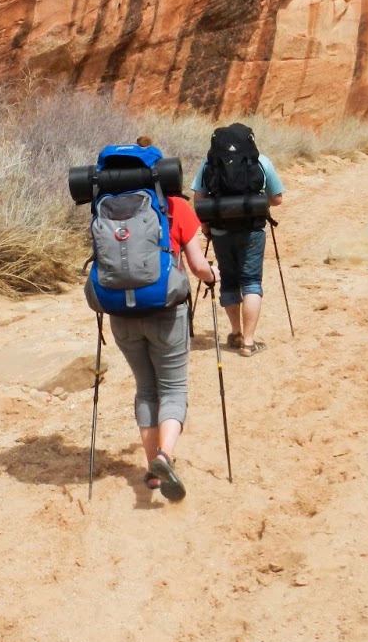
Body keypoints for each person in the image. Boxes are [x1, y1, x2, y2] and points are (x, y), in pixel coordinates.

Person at [105, 136, 218, 500]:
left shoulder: (105, 209)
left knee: (146, 389)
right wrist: (212, 276)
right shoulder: (175, 207)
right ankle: (165, 457)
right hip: (166, 310)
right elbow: (197, 266)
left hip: (121, 311)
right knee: (172, 389)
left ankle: (152, 471)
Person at [191, 125, 286, 357]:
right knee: (251, 281)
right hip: (252, 230)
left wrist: (206, 226)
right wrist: (256, 202)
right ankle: (249, 343)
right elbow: (277, 199)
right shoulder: (261, 161)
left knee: (229, 280)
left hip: (220, 230)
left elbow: (199, 198)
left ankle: (236, 333)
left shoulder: (210, 162)